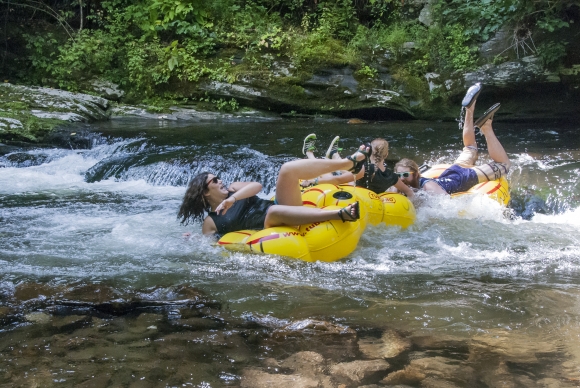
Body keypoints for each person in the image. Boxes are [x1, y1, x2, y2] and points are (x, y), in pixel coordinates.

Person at [178, 145, 370, 238]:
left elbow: (257, 187)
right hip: (267, 226)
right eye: (214, 180)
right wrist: (192, 240)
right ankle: (339, 214)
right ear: (205, 192)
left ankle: (347, 163)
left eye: (218, 177)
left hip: (280, 205)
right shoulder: (211, 221)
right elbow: (210, 246)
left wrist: (232, 199)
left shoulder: (234, 188)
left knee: (287, 168)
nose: (220, 180)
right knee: (272, 212)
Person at [394, 83, 510, 195]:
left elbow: (446, 202)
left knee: (504, 164)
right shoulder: (402, 185)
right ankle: (469, 109)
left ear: (415, 174)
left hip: (465, 178)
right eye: (398, 175)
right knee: (470, 148)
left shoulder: (428, 187)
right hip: (451, 172)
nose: (401, 178)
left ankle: (486, 127)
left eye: (405, 174)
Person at [299, 135, 415, 199]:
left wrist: (313, 181)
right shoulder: (392, 176)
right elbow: (410, 193)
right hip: (369, 201)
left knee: (328, 171)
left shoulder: (366, 168)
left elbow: (337, 180)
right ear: (386, 155)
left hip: (354, 196)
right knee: (349, 169)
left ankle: (309, 153)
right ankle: (334, 154)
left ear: (368, 152)